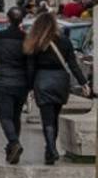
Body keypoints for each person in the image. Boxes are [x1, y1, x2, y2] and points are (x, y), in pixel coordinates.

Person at [24, 12, 91, 165]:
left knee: (47, 119)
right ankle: (50, 150)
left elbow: (30, 68)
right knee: (54, 117)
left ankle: (51, 148)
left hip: (42, 80)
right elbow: (73, 64)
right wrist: (83, 83)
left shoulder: (35, 42)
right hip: (60, 81)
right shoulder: (65, 41)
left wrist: (30, 87)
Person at [0, 7, 33, 165]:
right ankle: (13, 148)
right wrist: (30, 83)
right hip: (21, 82)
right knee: (16, 116)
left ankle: (14, 142)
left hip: (3, 80)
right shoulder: (26, 38)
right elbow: (30, 62)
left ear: (8, 19)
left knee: (5, 117)